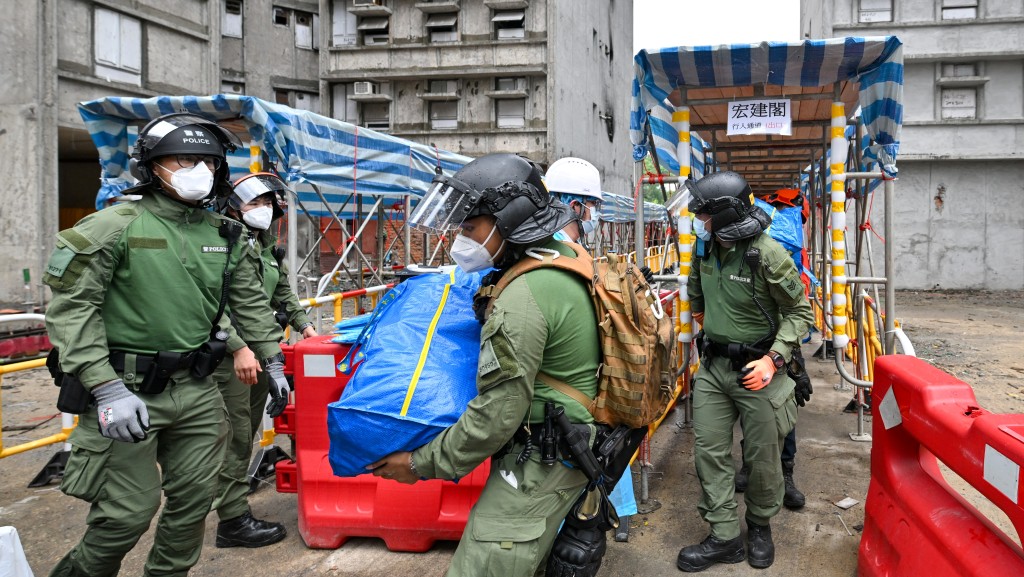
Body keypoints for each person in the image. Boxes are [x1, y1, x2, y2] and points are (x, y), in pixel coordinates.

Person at [43, 112, 287, 577]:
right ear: (152, 165)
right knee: (125, 514)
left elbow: (251, 305)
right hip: (125, 389)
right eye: (185, 159)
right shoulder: (111, 226)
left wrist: (273, 361)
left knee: (193, 505)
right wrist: (105, 388)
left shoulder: (224, 234)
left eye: (208, 162)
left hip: (195, 390)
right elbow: (73, 313)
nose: (200, 171)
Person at [367, 153, 601, 576]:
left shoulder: (523, 297)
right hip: (561, 440)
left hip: (544, 458)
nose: (461, 239)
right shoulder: (558, 257)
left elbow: (499, 414)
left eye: (469, 227)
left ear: (507, 223)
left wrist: (419, 464)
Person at [677, 171, 813, 572]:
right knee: (709, 453)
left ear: (721, 217)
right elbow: (696, 292)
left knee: (762, 457)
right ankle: (723, 535)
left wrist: (773, 360)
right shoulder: (704, 250)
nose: (697, 221)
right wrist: (712, 328)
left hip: (760, 371)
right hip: (715, 368)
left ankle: (759, 525)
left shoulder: (766, 253)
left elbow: (800, 312)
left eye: (702, 214)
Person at [211, 172, 318, 548]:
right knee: (238, 436)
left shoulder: (264, 244)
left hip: (261, 350)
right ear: (231, 209)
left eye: (267, 204)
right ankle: (232, 520)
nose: (262, 210)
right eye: (252, 204)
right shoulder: (223, 245)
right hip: (233, 356)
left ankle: (232, 503)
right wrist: (238, 346)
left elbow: (282, 292)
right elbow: (212, 305)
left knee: (251, 428)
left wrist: (305, 326)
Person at [545, 156, 603, 246]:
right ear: (574, 206)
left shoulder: (569, 243)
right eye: (593, 203)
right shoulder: (558, 249)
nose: (596, 210)